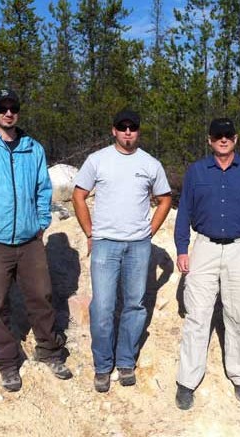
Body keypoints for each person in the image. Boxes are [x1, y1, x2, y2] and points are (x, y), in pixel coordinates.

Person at [0, 88, 72, 392]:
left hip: (29, 240)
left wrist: (41, 222)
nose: (8, 113)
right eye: (2, 108)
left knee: (41, 296)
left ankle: (49, 351)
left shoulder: (33, 148)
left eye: (13, 107)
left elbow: (43, 190)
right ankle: (7, 362)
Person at [173, 118, 240, 410]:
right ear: (209, 140)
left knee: (238, 314)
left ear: (236, 138)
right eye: (218, 135)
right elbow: (184, 214)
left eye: (228, 135)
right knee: (197, 315)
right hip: (204, 247)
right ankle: (187, 380)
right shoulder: (196, 171)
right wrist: (182, 248)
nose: (223, 139)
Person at [72, 109, 172, 393]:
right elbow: (79, 195)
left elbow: (165, 199)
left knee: (135, 305)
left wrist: (150, 230)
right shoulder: (97, 160)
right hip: (105, 244)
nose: (128, 132)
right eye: (122, 127)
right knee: (103, 307)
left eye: (133, 127)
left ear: (138, 131)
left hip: (138, 246)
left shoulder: (150, 164)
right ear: (113, 130)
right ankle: (103, 366)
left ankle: (126, 361)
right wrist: (90, 232)